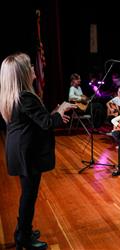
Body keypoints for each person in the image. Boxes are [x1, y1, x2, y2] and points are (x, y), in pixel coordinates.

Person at [0, 52, 76, 249]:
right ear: (24, 72)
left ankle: (22, 230)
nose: (34, 69)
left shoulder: (15, 95)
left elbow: (36, 121)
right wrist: (60, 111)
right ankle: (23, 238)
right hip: (27, 153)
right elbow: (47, 123)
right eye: (31, 66)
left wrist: (54, 113)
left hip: (19, 150)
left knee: (27, 194)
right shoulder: (26, 96)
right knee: (29, 196)